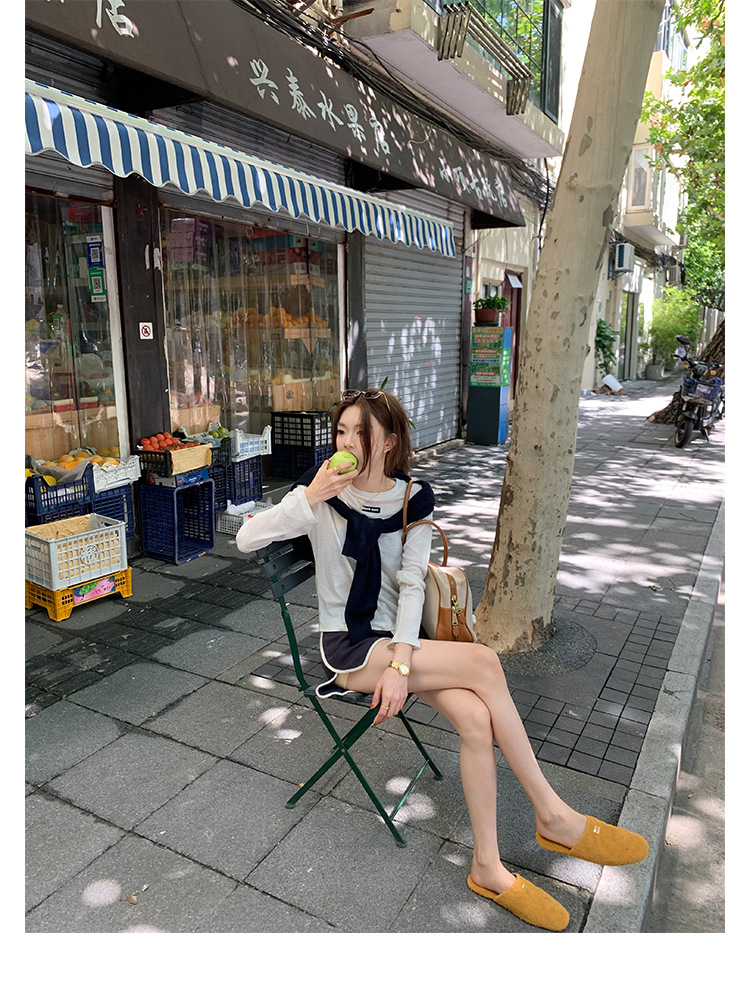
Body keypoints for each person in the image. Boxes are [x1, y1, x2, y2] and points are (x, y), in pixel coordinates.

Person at [236, 388, 648, 932]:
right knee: (484, 664)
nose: (347, 443)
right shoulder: (320, 496)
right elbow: (246, 539)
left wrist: (402, 665)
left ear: (389, 442)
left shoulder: (412, 498)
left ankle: (488, 868)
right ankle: (553, 815)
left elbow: (412, 586)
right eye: (341, 432)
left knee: (476, 717)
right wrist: (309, 496)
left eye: (361, 433)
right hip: (351, 649)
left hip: (402, 643)